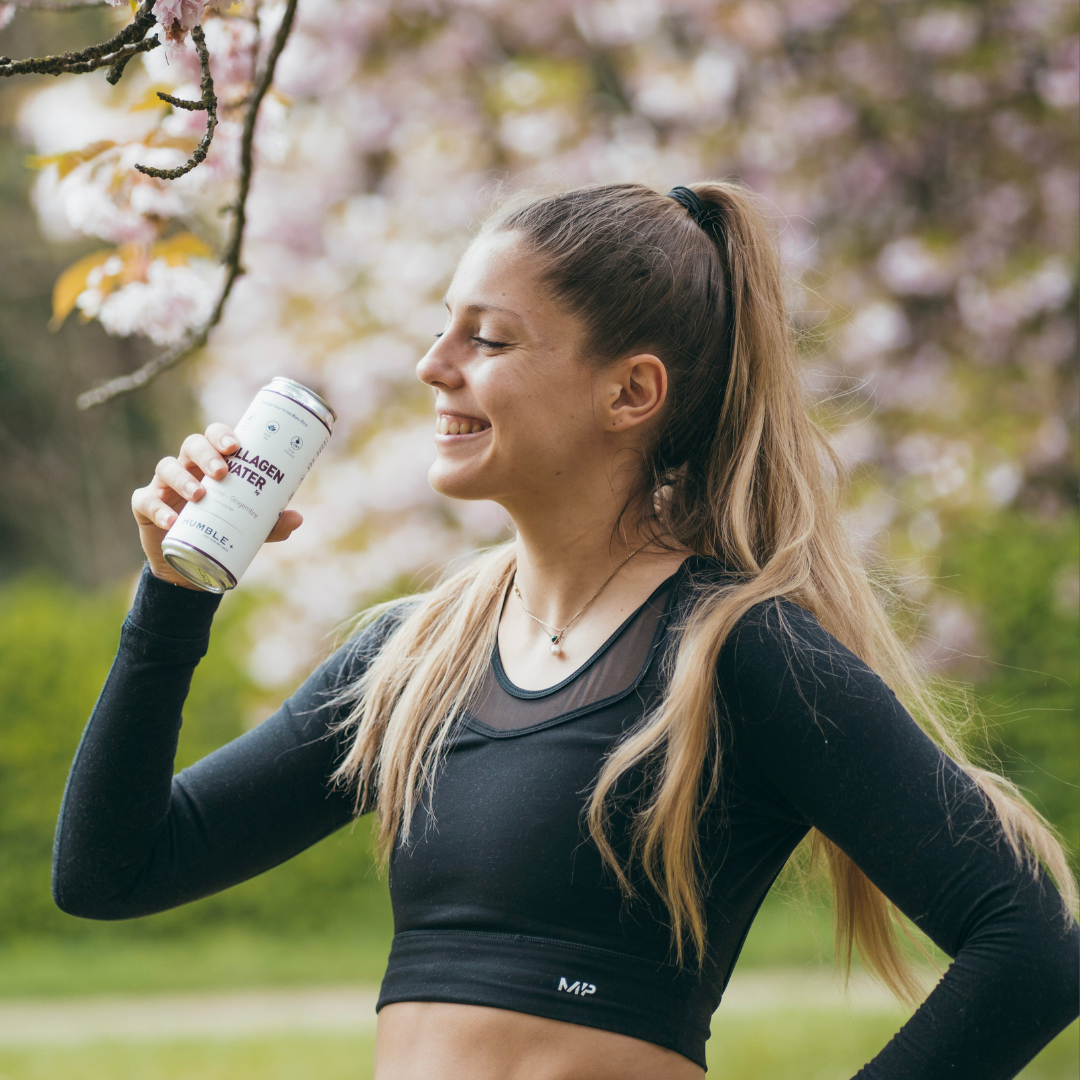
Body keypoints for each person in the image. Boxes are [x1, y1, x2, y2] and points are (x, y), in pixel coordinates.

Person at [54, 181, 1077, 1080]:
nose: (431, 365)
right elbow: (111, 872)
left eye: (487, 339)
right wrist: (174, 594)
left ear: (630, 392)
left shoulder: (737, 654)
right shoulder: (410, 662)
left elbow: (1036, 945)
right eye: (443, 328)